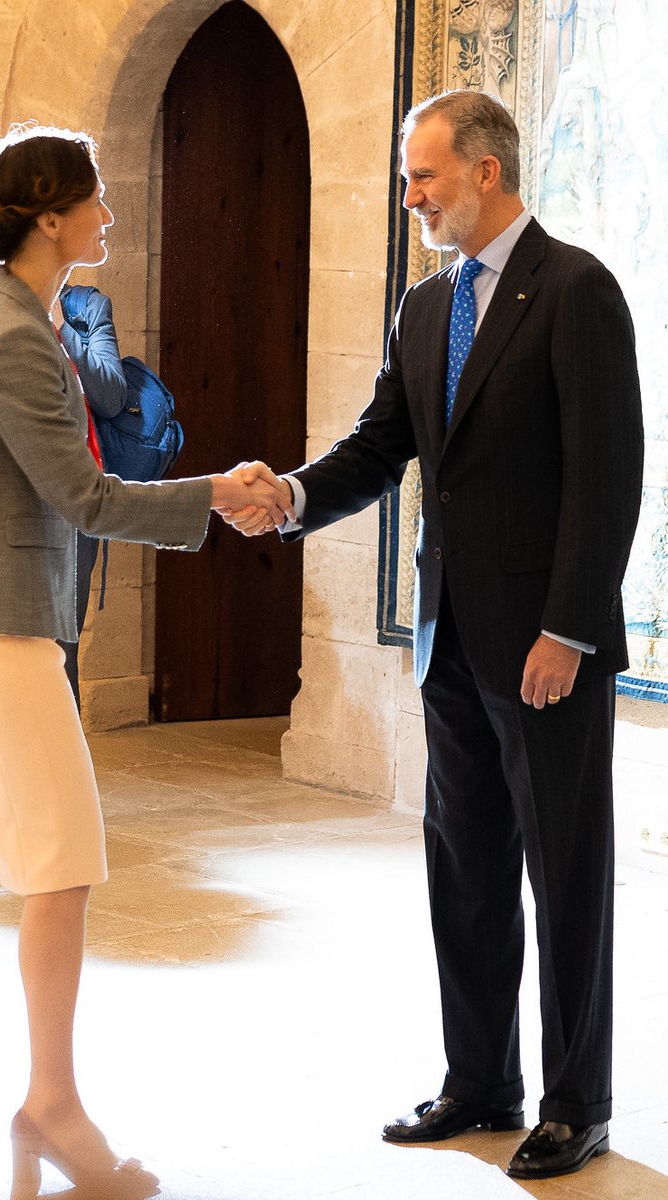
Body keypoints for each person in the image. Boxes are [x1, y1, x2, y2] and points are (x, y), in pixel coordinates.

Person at [0, 123, 291, 1200]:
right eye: (94, 202)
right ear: (49, 217)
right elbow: (83, 498)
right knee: (66, 863)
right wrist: (220, 493)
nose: (108, 217)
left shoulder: (10, 320)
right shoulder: (14, 339)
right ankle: (50, 1103)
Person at [230, 90, 644, 1181]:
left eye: (423, 176)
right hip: (448, 640)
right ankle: (480, 1083)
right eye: (408, 178)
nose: (409, 194)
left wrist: (567, 629)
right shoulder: (424, 306)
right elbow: (378, 448)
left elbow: (607, 482)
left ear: (485, 173)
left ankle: (576, 1103)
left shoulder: (576, 291)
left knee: (565, 874)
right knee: (462, 865)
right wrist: (291, 497)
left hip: (547, 649)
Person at [0, 280, 124, 709]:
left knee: (58, 651)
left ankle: (60, 767)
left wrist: (59, 328)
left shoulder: (86, 308)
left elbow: (110, 395)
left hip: (67, 509)